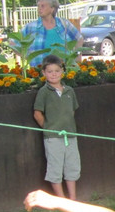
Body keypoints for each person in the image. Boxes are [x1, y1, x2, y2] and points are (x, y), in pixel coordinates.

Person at [33, 54, 81, 200]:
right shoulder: (44, 92)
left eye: (56, 71)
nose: (53, 74)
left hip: (70, 135)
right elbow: (37, 114)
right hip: (53, 137)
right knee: (55, 167)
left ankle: (72, 198)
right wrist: (49, 128)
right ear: (44, 73)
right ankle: (61, 199)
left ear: (62, 72)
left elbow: (72, 111)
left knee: (72, 166)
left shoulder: (69, 91)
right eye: (50, 71)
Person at [21, 0, 82, 68]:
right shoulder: (31, 27)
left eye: (43, 6)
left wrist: (77, 58)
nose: (39, 8)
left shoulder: (64, 24)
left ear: (52, 8)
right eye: (38, 6)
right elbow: (13, 43)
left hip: (64, 71)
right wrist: (28, 57)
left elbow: (79, 39)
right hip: (40, 71)